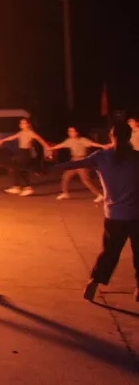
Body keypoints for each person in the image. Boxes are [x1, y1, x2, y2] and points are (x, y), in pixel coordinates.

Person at [54, 122, 139, 302]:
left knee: (109, 252)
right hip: (136, 215)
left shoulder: (101, 157)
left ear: (111, 136)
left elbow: (74, 164)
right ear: (129, 136)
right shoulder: (136, 157)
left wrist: (49, 168)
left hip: (114, 216)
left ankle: (94, 282)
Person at [48, 126, 106, 202]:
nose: (70, 133)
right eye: (69, 131)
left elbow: (92, 144)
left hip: (82, 161)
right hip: (74, 161)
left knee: (85, 180)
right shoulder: (69, 140)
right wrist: (52, 148)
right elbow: (61, 145)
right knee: (65, 177)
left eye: (72, 131)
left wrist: (103, 146)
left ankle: (99, 195)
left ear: (77, 132)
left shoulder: (83, 140)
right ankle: (65, 193)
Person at [0, 118, 49, 196]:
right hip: (21, 152)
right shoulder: (21, 133)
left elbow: (40, 140)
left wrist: (47, 147)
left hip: (26, 152)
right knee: (19, 169)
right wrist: (2, 141)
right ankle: (21, 187)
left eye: (24, 123)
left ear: (28, 124)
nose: (22, 124)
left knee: (17, 168)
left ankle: (22, 187)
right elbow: (11, 137)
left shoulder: (31, 133)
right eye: (21, 123)